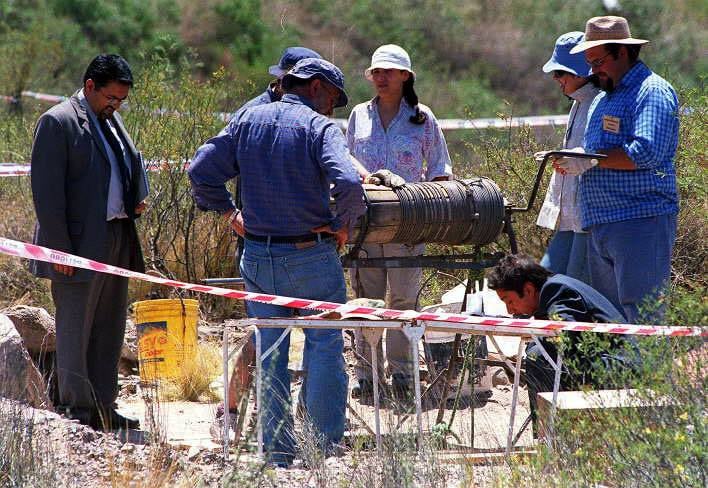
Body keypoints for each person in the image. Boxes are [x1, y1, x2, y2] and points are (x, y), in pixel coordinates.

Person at [188, 58, 365, 466]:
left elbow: (201, 170)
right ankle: (321, 452)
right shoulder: (319, 128)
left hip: (259, 257)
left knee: (271, 351)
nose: (331, 110)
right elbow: (351, 183)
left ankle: (278, 453)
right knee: (323, 345)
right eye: (334, 100)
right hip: (310, 256)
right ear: (318, 87)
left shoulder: (248, 119)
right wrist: (343, 226)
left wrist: (231, 213)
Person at [30, 54, 148, 430]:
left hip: (115, 236)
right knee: (76, 328)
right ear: (90, 86)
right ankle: (77, 410)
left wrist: (134, 196)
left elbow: (125, 163)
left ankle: (103, 406)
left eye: (121, 101)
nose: (115, 105)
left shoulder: (111, 121)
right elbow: (47, 194)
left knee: (109, 326)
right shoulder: (58, 121)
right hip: (76, 245)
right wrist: (58, 247)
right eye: (110, 97)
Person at [215, 45, 323, 433]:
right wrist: (231, 213)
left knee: (300, 332)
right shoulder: (252, 113)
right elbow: (208, 164)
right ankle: (230, 411)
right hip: (261, 240)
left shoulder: (303, 115)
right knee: (264, 336)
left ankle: (291, 421)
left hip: (299, 239)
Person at [557, 16, 679, 323]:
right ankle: (621, 372)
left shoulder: (651, 92)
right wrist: (579, 160)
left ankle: (650, 373)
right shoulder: (603, 99)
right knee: (610, 320)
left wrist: (591, 159)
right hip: (601, 224)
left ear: (622, 53)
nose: (593, 70)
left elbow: (646, 152)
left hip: (640, 220)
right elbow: (596, 153)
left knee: (642, 318)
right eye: (589, 63)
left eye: (598, 61)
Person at [347, 44, 452, 399]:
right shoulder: (359, 115)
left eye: (388, 71)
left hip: (409, 223)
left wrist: (431, 212)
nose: (381, 78)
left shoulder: (423, 118)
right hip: (366, 222)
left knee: (405, 301)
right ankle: (366, 375)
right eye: (376, 72)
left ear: (405, 76)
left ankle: (405, 376)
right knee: (366, 299)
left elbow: (440, 171)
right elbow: (345, 162)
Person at [487, 254, 636, 436]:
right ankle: (554, 437)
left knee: (538, 356)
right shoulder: (554, 288)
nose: (509, 310)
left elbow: (565, 340)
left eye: (509, 301)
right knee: (537, 351)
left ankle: (552, 439)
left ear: (528, 290)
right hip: (610, 363)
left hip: (618, 367)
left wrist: (533, 334)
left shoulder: (555, 290)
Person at [536, 32, 599, 284]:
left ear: (580, 71)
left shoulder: (597, 101)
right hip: (568, 218)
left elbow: (595, 155)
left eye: (560, 73)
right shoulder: (578, 102)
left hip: (585, 216)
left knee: (574, 289)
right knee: (547, 280)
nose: (555, 79)